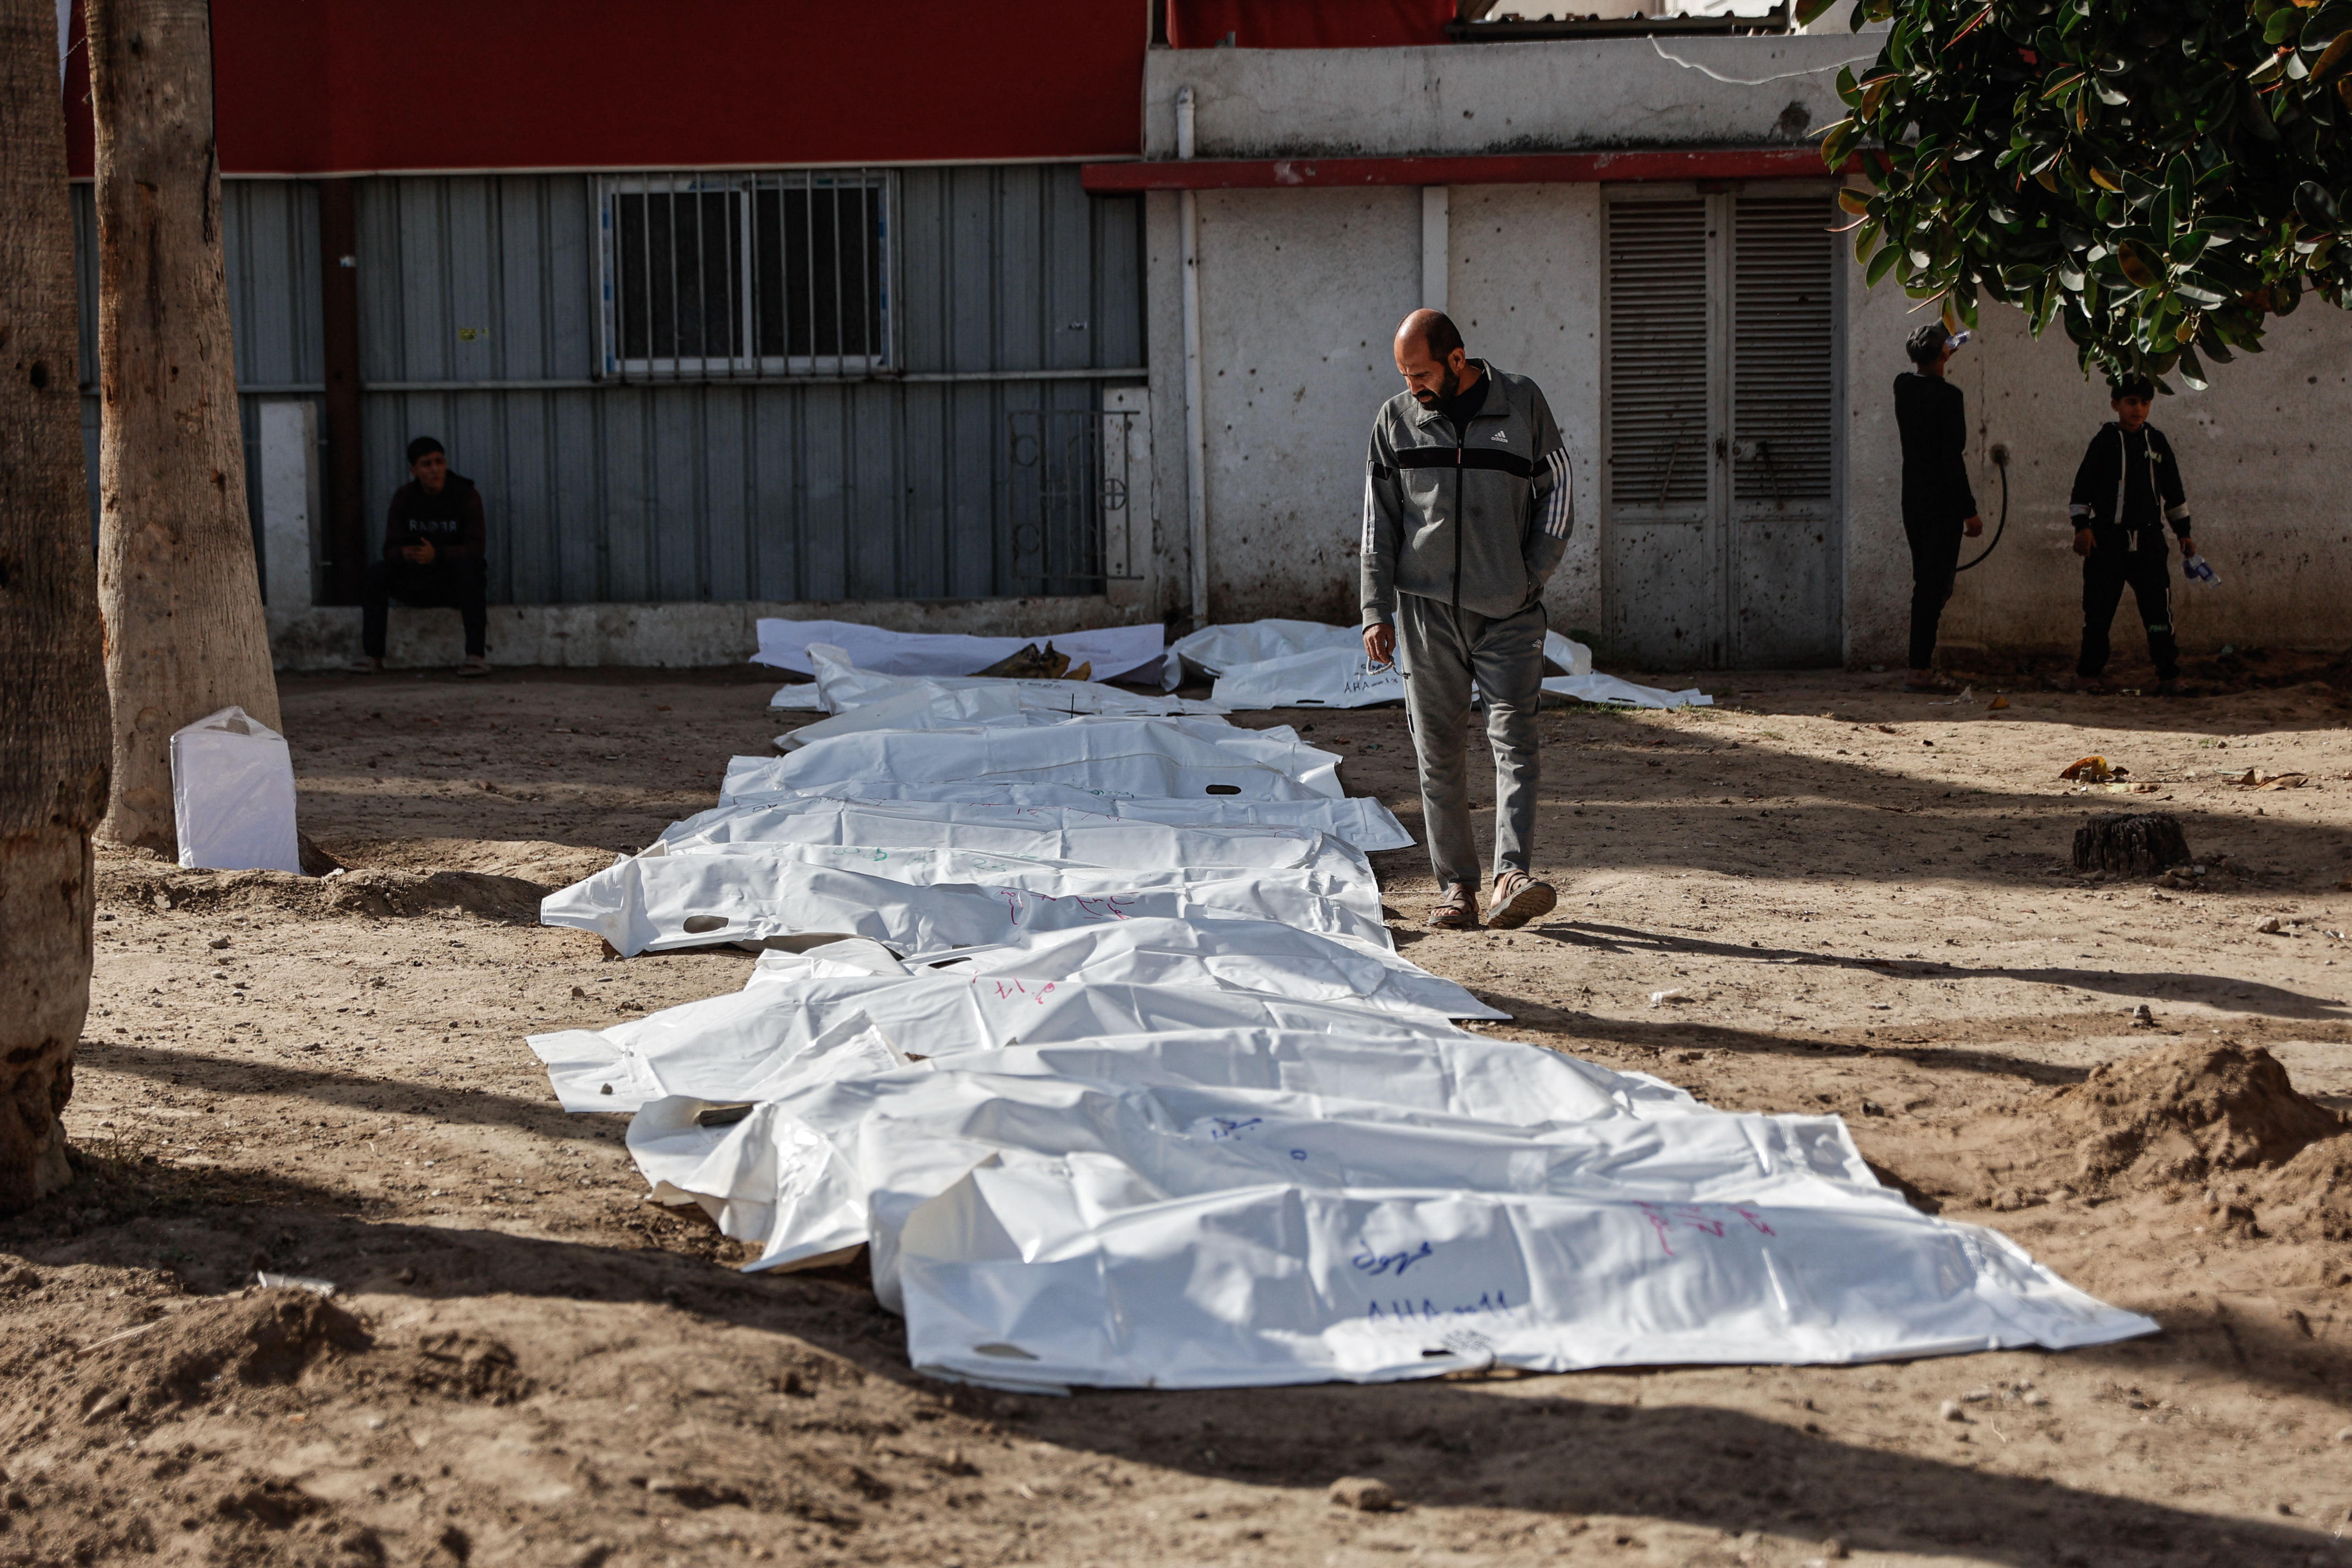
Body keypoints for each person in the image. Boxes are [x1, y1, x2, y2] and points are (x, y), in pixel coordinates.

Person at [1361, 309, 1571, 931]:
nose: (1412, 386)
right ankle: (1457, 887)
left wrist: (1531, 574)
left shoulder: (1521, 403)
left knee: (1515, 744)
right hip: (1425, 617)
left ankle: (1512, 874)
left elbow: (1556, 490)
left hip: (1509, 613)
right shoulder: (1394, 421)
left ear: (1456, 360)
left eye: (1421, 373)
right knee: (1438, 755)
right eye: (1403, 375)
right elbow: (1378, 522)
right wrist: (1375, 609)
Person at [2068, 374, 2195, 695]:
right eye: (2130, 402)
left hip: (2149, 542)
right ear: (2115, 405)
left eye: (2144, 403)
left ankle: (2169, 676)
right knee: (2098, 611)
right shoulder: (2104, 441)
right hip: (2106, 541)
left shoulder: (2157, 442)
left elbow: (2173, 489)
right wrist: (2081, 527)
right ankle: (2087, 675)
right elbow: (2082, 486)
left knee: (2157, 612)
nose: (2138, 409)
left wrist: (2184, 532)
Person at [1893, 322, 1984, 693]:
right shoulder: (1949, 398)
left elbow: (1926, 367)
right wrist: (1969, 511)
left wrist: (1944, 347)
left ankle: (1920, 665)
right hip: (1942, 502)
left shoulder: (1902, 386)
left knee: (1925, 583)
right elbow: (1951, 459)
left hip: (1912, 498)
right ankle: (1919, 670)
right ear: (1943, 355)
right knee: (1934, 587)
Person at [359, 437, 489, 676]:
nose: (435, 470)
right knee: (377, 572)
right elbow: (389, 549)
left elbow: (476, 548)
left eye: (439, 462)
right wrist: (405, 554)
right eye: (427, 464)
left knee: (472, 570)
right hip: (416, 580)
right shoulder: (405, 497)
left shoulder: (466, 495)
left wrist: (438, 554)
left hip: (453, 582)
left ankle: (475, 657)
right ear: (414, 470)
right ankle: (373, 657)